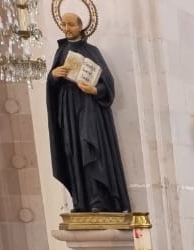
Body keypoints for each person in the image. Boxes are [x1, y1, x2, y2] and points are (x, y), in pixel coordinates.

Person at [46, 11, 131, 213]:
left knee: (89, 145)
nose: (66, 28)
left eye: (71, 24)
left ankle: (99, 199)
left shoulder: (92, 51)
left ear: (80, 26)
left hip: (88, 107)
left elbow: (107, 84)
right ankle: (81, 200)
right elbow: (52, 88)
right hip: (67, 110)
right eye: (63, 24)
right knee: (72, 149)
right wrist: (53, 76)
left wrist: (94, 90)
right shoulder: (61, 52)